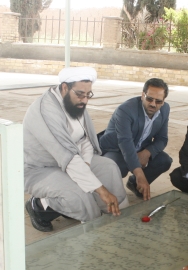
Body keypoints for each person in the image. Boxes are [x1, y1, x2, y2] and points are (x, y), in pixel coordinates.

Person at [23, 66, 126, 231]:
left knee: (109, 168)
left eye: (88, 95)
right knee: (80, 196)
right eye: (80, 94)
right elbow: (67, 156)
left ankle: (109, 213)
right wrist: (102, 191)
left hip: (72, 159)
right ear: (65, 87)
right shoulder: (45, 110)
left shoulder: (74, 102)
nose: (85, 100)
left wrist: (86, 163)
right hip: (41, 169)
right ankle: (39, 206)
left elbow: (85, 139)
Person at [99, 78, 173, 200]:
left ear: (163, 101)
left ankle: (135, 184)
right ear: (143, 95)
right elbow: (125, 142)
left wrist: (146, 153)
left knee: (164, 160)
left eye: (158, 101)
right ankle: (103, 193)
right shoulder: (126, 110)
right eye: (149, 99)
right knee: (115, 167)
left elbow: (162, 139)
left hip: (140, 147)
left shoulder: (165, 109)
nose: (153, 104)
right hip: (116, 148)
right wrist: (140, 174)